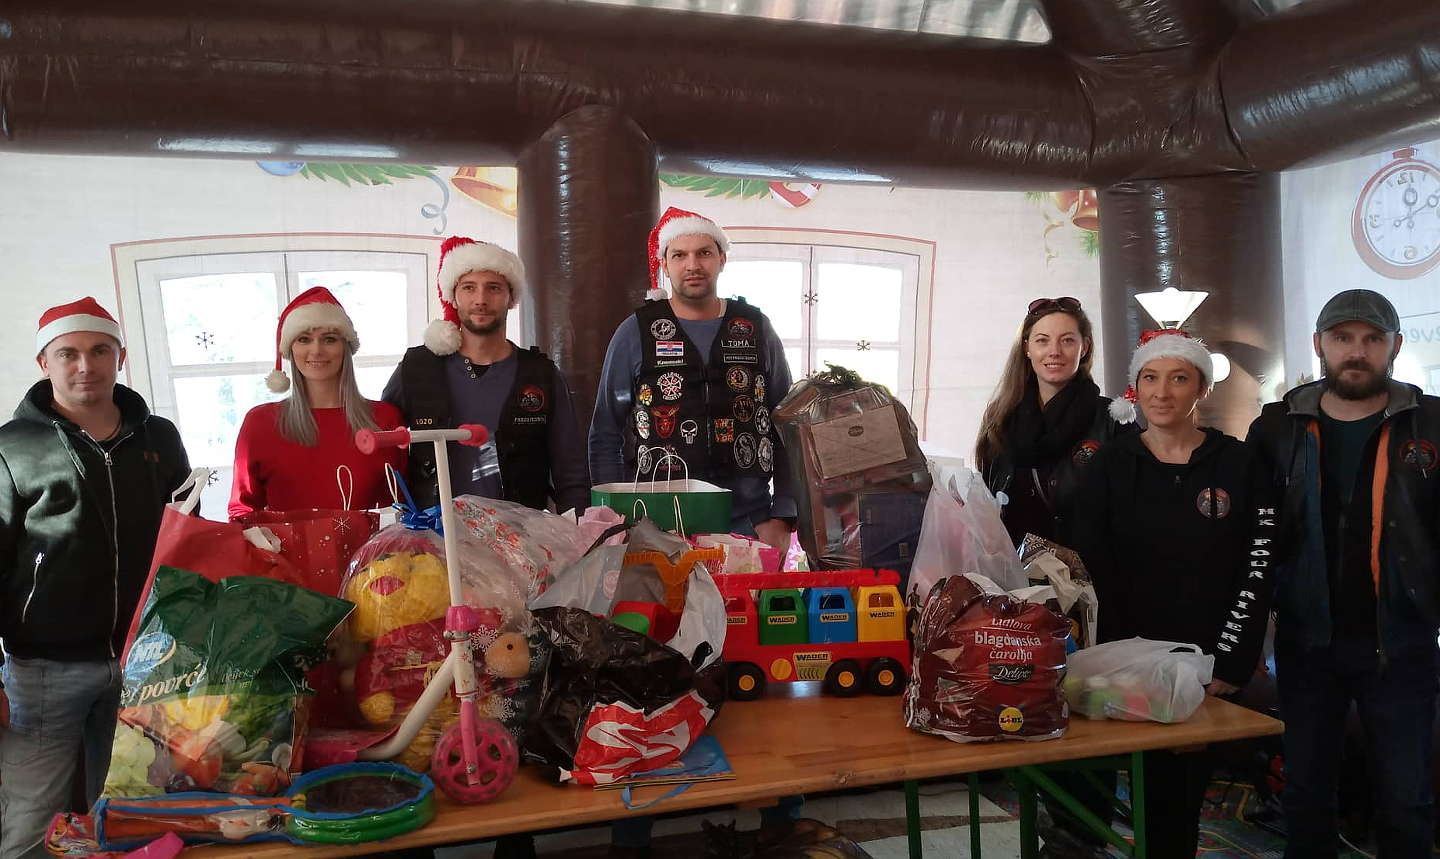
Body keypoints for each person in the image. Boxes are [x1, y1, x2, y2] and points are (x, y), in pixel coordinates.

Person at [1247, 289, 1440, 858]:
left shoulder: (1431, 423)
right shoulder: (1277, 428)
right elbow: (1251, 535)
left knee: (1406, 799)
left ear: (1395, 347)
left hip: (1402, 641)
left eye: (1372, 339)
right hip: (1306, 641)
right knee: (1305, 794)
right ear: (1319, 344)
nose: (1357, 351)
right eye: (1342, 338)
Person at [1069, 328, 1276, 859]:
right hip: (1130, 659)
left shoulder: (1239, 464)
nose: (1162, 392)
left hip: (1210, 660)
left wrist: (1230, 660)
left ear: (1201, 388)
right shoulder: (1110, 465)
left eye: (1179, 378)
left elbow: (1258, 567)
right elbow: (1092, 570)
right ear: (1135, 388)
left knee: (1185, 791)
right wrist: (1118, 660)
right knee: (1149, 786)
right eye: (1150, 378)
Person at [0, 298, 191, 858]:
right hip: (44, 670)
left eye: (100, 350)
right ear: (44, 362)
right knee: (32, 821)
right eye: (69, 353)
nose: (86, 365)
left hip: (145, 660)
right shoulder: (11, 447)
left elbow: (185, 533)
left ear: (120, 357)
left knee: (133, 814)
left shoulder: (159, 437)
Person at [589, 207, 796, 550]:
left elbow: (786, 425)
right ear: (664, 264)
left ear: (722, 259)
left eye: (704, 253)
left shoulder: (754, 327)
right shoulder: (636, 331)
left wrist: (783, 515)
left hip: (749, 520)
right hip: (655, 523)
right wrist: (614, 520)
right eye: (679, 255)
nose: (693, 265)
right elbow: (605, 432)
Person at [382, 236, 589, 514]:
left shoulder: (541, 375)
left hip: (520, 533)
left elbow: (571, 472)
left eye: (493, 288)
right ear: (453, 296)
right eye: (469, 287)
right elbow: (383, 449)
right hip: (434, 533)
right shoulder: (417, 368)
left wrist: (578, 528)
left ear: (511, 298)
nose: (480, 299)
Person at [229, 286, 404, 518]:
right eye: (304, 339)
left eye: (329, 339)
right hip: (279, 544)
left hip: (374, 543)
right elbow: (242, 511)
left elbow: (403, 506)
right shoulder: (259, 423)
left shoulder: (385, 418)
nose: (316, 350)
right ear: (290, 349)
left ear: (345, 348)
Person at [974, 296, 1126, 547]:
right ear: (1027, 348)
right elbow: (988, 497)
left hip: (1089, 567)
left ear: (1084, 347)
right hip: (1014, 566)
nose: (1054, 351)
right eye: (1042, 340)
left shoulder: (1111, 419)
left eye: (1067, 340)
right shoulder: (1000, 416)